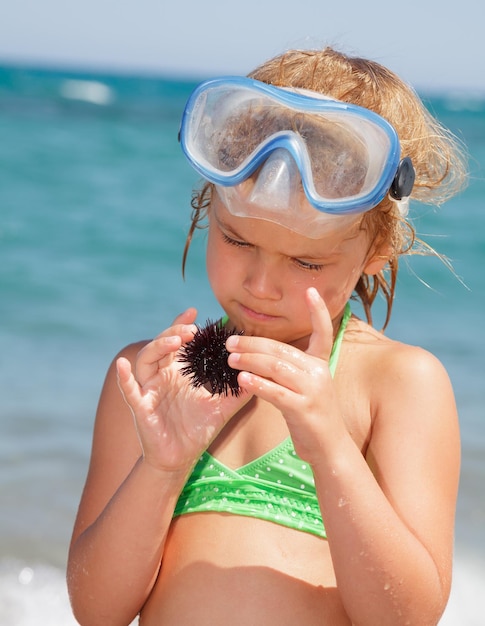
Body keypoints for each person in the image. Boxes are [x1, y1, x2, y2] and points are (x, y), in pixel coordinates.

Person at [67, 47, 467, 625]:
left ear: (375, 253)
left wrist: (331, 451)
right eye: (236, 241)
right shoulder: (151, 381)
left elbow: (405, 618)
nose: (261, 285)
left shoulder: (397, 385)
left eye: (306, 263)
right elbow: (97, 610)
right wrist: (161, 467)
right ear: (210, 206)